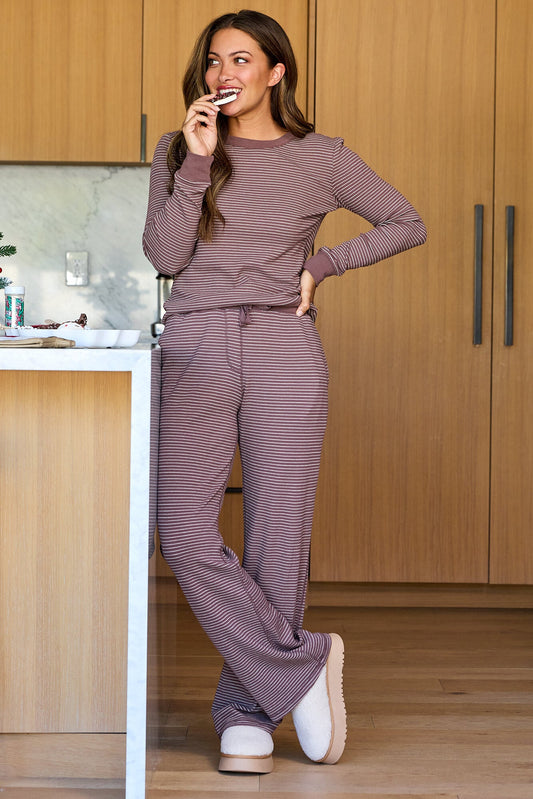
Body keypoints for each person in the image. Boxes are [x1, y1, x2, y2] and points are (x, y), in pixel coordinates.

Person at [143, 9, 426, 775]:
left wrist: (324, 265)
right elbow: (165, 257)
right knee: (182, 529)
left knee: (276, 532)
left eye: (241, 59)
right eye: (213, 61)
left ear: (276, 72)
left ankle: (246, 712)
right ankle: (304, 661)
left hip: (281, 343)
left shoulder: (320, 157)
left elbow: (406, 221)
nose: (222, 73)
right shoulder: (179, 148)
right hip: (195, 339)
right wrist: (197, 162)